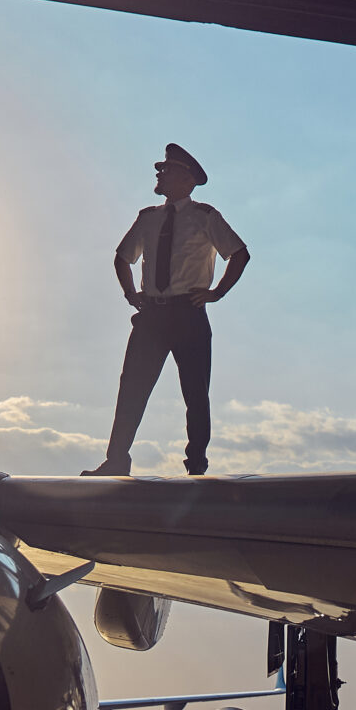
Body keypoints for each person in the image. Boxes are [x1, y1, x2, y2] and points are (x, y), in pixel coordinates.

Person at [85, 143, 251, 477]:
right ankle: (117, 459)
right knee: (132, 386)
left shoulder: (205, 216)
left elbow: (239, 253)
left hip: (188, 312)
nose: (160, 174)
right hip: (153, 316)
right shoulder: (149, 218)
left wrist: (217, 292)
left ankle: (197, 466)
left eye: (167, 170)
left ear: (187, 178)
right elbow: (123, 257)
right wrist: (131, 293)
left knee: (194, 391)